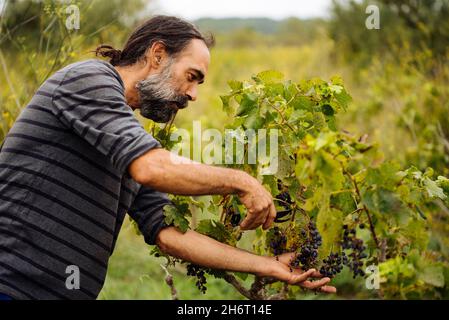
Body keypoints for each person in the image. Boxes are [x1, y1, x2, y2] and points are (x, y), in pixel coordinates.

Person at [0, 15, 335, 300]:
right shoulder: (89, 79)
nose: (193, 94)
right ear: (158, 54)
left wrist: (267, 264)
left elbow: (168, 234)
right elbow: (151, 167)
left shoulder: (124, 136)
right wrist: (241, 181)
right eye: (192, 77)